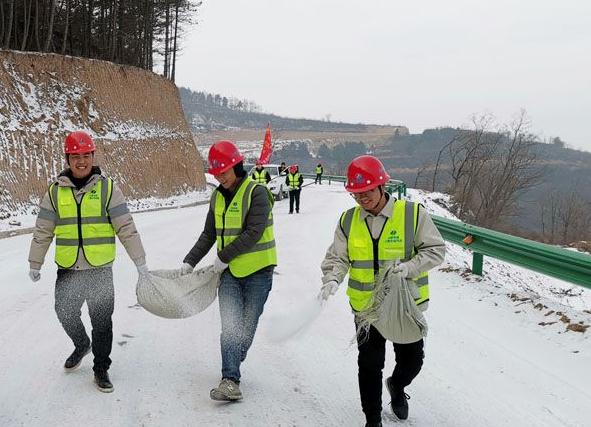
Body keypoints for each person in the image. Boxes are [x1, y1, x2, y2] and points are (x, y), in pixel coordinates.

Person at [318, 155, 445, 426]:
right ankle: (372, 420)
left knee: (412, 362)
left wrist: (410, 268)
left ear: (381, 186)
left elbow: (436, 251)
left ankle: (397, 386)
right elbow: (338, 258)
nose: (362, 199)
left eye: (367, 192)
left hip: (404, 305)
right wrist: (332, 279)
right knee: (369, 364)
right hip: (366, 308)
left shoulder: (412, 214)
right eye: (356, 194)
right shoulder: (348, 221)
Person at [28, 131, 149, 393]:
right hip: (69, 268)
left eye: (85, 155)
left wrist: (140, 261)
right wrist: (35, 262)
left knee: (102, 321)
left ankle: (101, 368)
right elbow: (43, 230)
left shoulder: (107, 188)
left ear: (93, 157)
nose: (81, 161)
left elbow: (126, 227)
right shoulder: (55, 192)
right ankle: (82, 344)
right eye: (75, 156)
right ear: (67, 158)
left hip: (99, 269)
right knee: (65, 312)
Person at [181, 140, 277, 402]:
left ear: (236, 165)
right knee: (230, 327)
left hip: (259, 272)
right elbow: (209, 234)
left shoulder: (256, 192)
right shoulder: (217, 197)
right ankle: (230, 380)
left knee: (246, 328)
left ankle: (234, 356)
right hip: (230, 276)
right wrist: (190, 261)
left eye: (224, 170)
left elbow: (254, 232)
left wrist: (222, 257)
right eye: (216, 172)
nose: (220, 176)